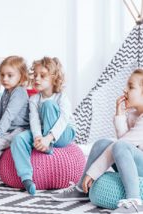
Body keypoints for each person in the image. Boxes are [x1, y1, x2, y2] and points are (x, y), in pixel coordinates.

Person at [52, 68, 143, 214]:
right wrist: (119, 113)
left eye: (131, 87)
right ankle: (82, 188)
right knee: (102, 143)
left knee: (118, 145)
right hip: (137, 161)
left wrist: (93, 173)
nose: (125, 90)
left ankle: (135, 201)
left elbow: (122, 144)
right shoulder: (133, 113)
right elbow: (123, 143)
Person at [11, 57, 75, 195]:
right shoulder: (34, 99)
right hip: (42, 134)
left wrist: (48, 138)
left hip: (62, 134)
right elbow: (34, 120)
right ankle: (26, 178)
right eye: (35, 75)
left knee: (48, 105)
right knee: (18, 139)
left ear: (54, 78)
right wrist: (38, 137)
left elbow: (64, 119)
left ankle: (48, 146)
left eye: (42, 75)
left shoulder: (61, 96)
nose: (37, 79)